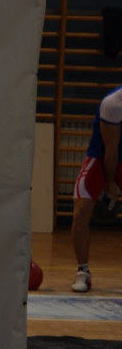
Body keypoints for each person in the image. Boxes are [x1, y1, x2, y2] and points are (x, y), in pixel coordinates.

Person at [71, 86, 122, 292]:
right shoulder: (114, 103)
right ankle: (83, 271)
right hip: (102, 158)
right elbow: (111, 148)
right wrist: (110, 184)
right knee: (80, 213)